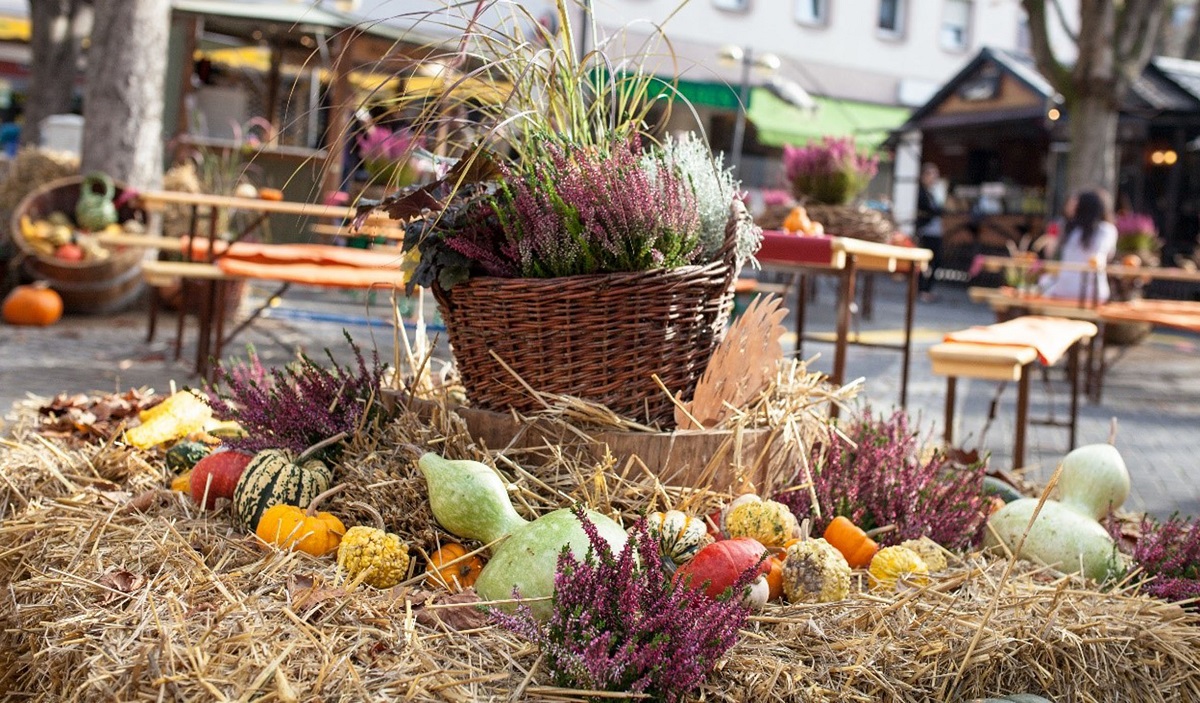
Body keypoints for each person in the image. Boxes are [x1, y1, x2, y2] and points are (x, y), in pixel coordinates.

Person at [1039, 188, 1118, 303]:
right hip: (1094, 293)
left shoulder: (1070, 230)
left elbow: (1049, 253)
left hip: (1064, 291)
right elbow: (1105, 257)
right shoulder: (1107, 230)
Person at [915, 163, 944, 302]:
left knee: (936, 262)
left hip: (935, 232)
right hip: (926, 232)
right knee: (924, 262)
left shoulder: (933, 193)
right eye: (932, 174)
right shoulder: (920, 192)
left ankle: (926, 290)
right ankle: (922, 290)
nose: (934, 178)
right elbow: (929, 211)